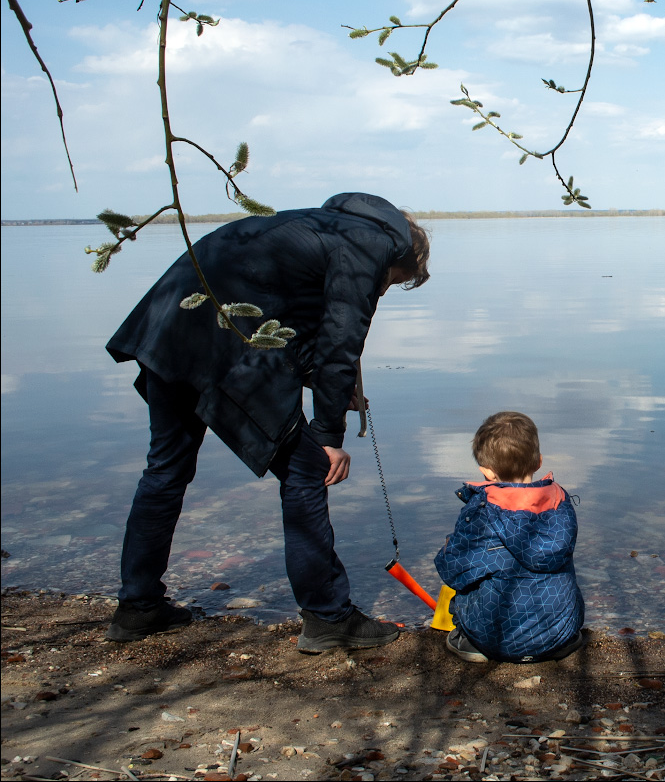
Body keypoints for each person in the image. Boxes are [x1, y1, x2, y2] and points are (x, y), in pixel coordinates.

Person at [104, 192, 430, 653]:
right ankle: (328, 616)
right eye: (393, 283)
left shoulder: (319, 226)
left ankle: (137, 606)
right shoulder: (368, 246)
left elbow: (279, 311)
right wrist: (328, 436)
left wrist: (326, 387)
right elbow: (341, 340)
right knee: (306, 471)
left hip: (167, 329)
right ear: (404, 256)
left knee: (165, 469)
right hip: (218, 341)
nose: (383, 289)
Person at [434, 412, 585, 663]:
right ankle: (554, 641)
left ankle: (473, 643)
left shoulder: (483, 511)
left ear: (486, 472)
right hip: (562, 633)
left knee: (462, 589)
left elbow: (453, 571)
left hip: (499, 639)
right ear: (538, 461)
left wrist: (448, 549)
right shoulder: (559, 503)